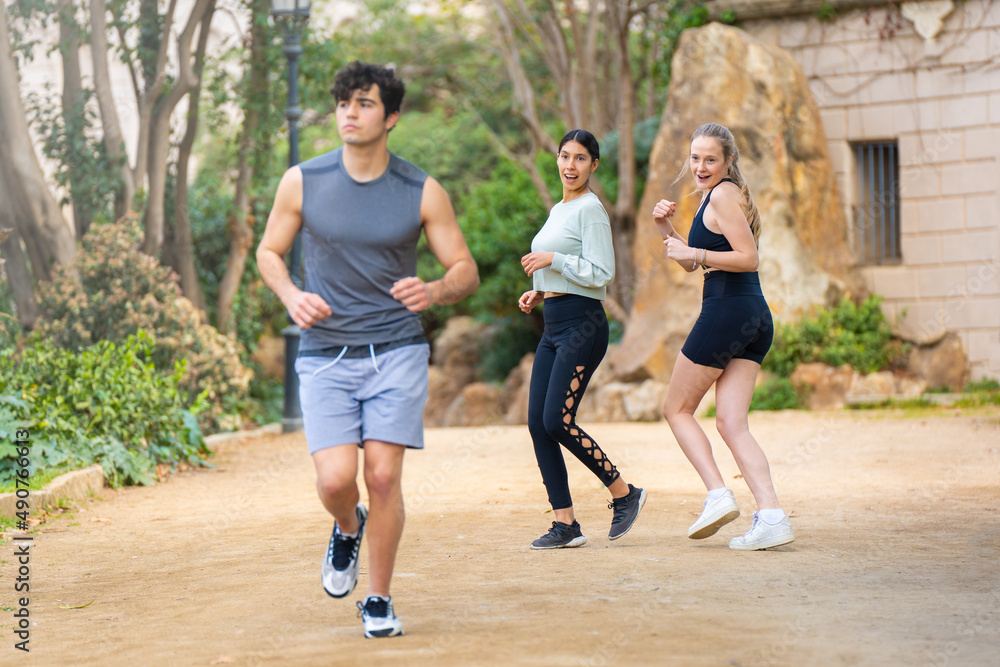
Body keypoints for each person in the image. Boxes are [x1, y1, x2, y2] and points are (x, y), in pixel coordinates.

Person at [256, 61, 479, 637]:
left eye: (364, 103)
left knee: (382, 477)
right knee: (336, 481)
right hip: (324, 350)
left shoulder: (421, 189)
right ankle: (347, 526)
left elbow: (465, 269)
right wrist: (290, 294)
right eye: (343, 104)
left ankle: (377, 597)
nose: (350, 113)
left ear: (392, 116)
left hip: (397, 349)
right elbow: (269, 253)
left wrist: (433, 289)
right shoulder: (302, 180)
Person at [651, 122, 793, 550]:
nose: (700, 166)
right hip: (751, 316)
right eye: (695, 158)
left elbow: (747, 258)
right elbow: (697, 264)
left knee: (676, 409)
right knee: (732, 423)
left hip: (728, 312)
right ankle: (771, 516)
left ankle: (717, 494)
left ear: (728, 161)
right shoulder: (711, 200)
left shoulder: (724, 193)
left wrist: (693, 251)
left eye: (710, 159)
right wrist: (666, 231)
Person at [518, 129, 646, 550]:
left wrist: (553, 260)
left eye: (580, 159)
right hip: (553, 321)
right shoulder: (560, 208)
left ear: (593, 165)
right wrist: (541, 287)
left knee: (557, 420)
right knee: (538, 423)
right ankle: (566, 523)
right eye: (564, 156)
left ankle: (624, 493)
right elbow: (566, 265)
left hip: (583, 324)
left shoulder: (591, 209)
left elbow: (601, 272)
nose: (570, 166)